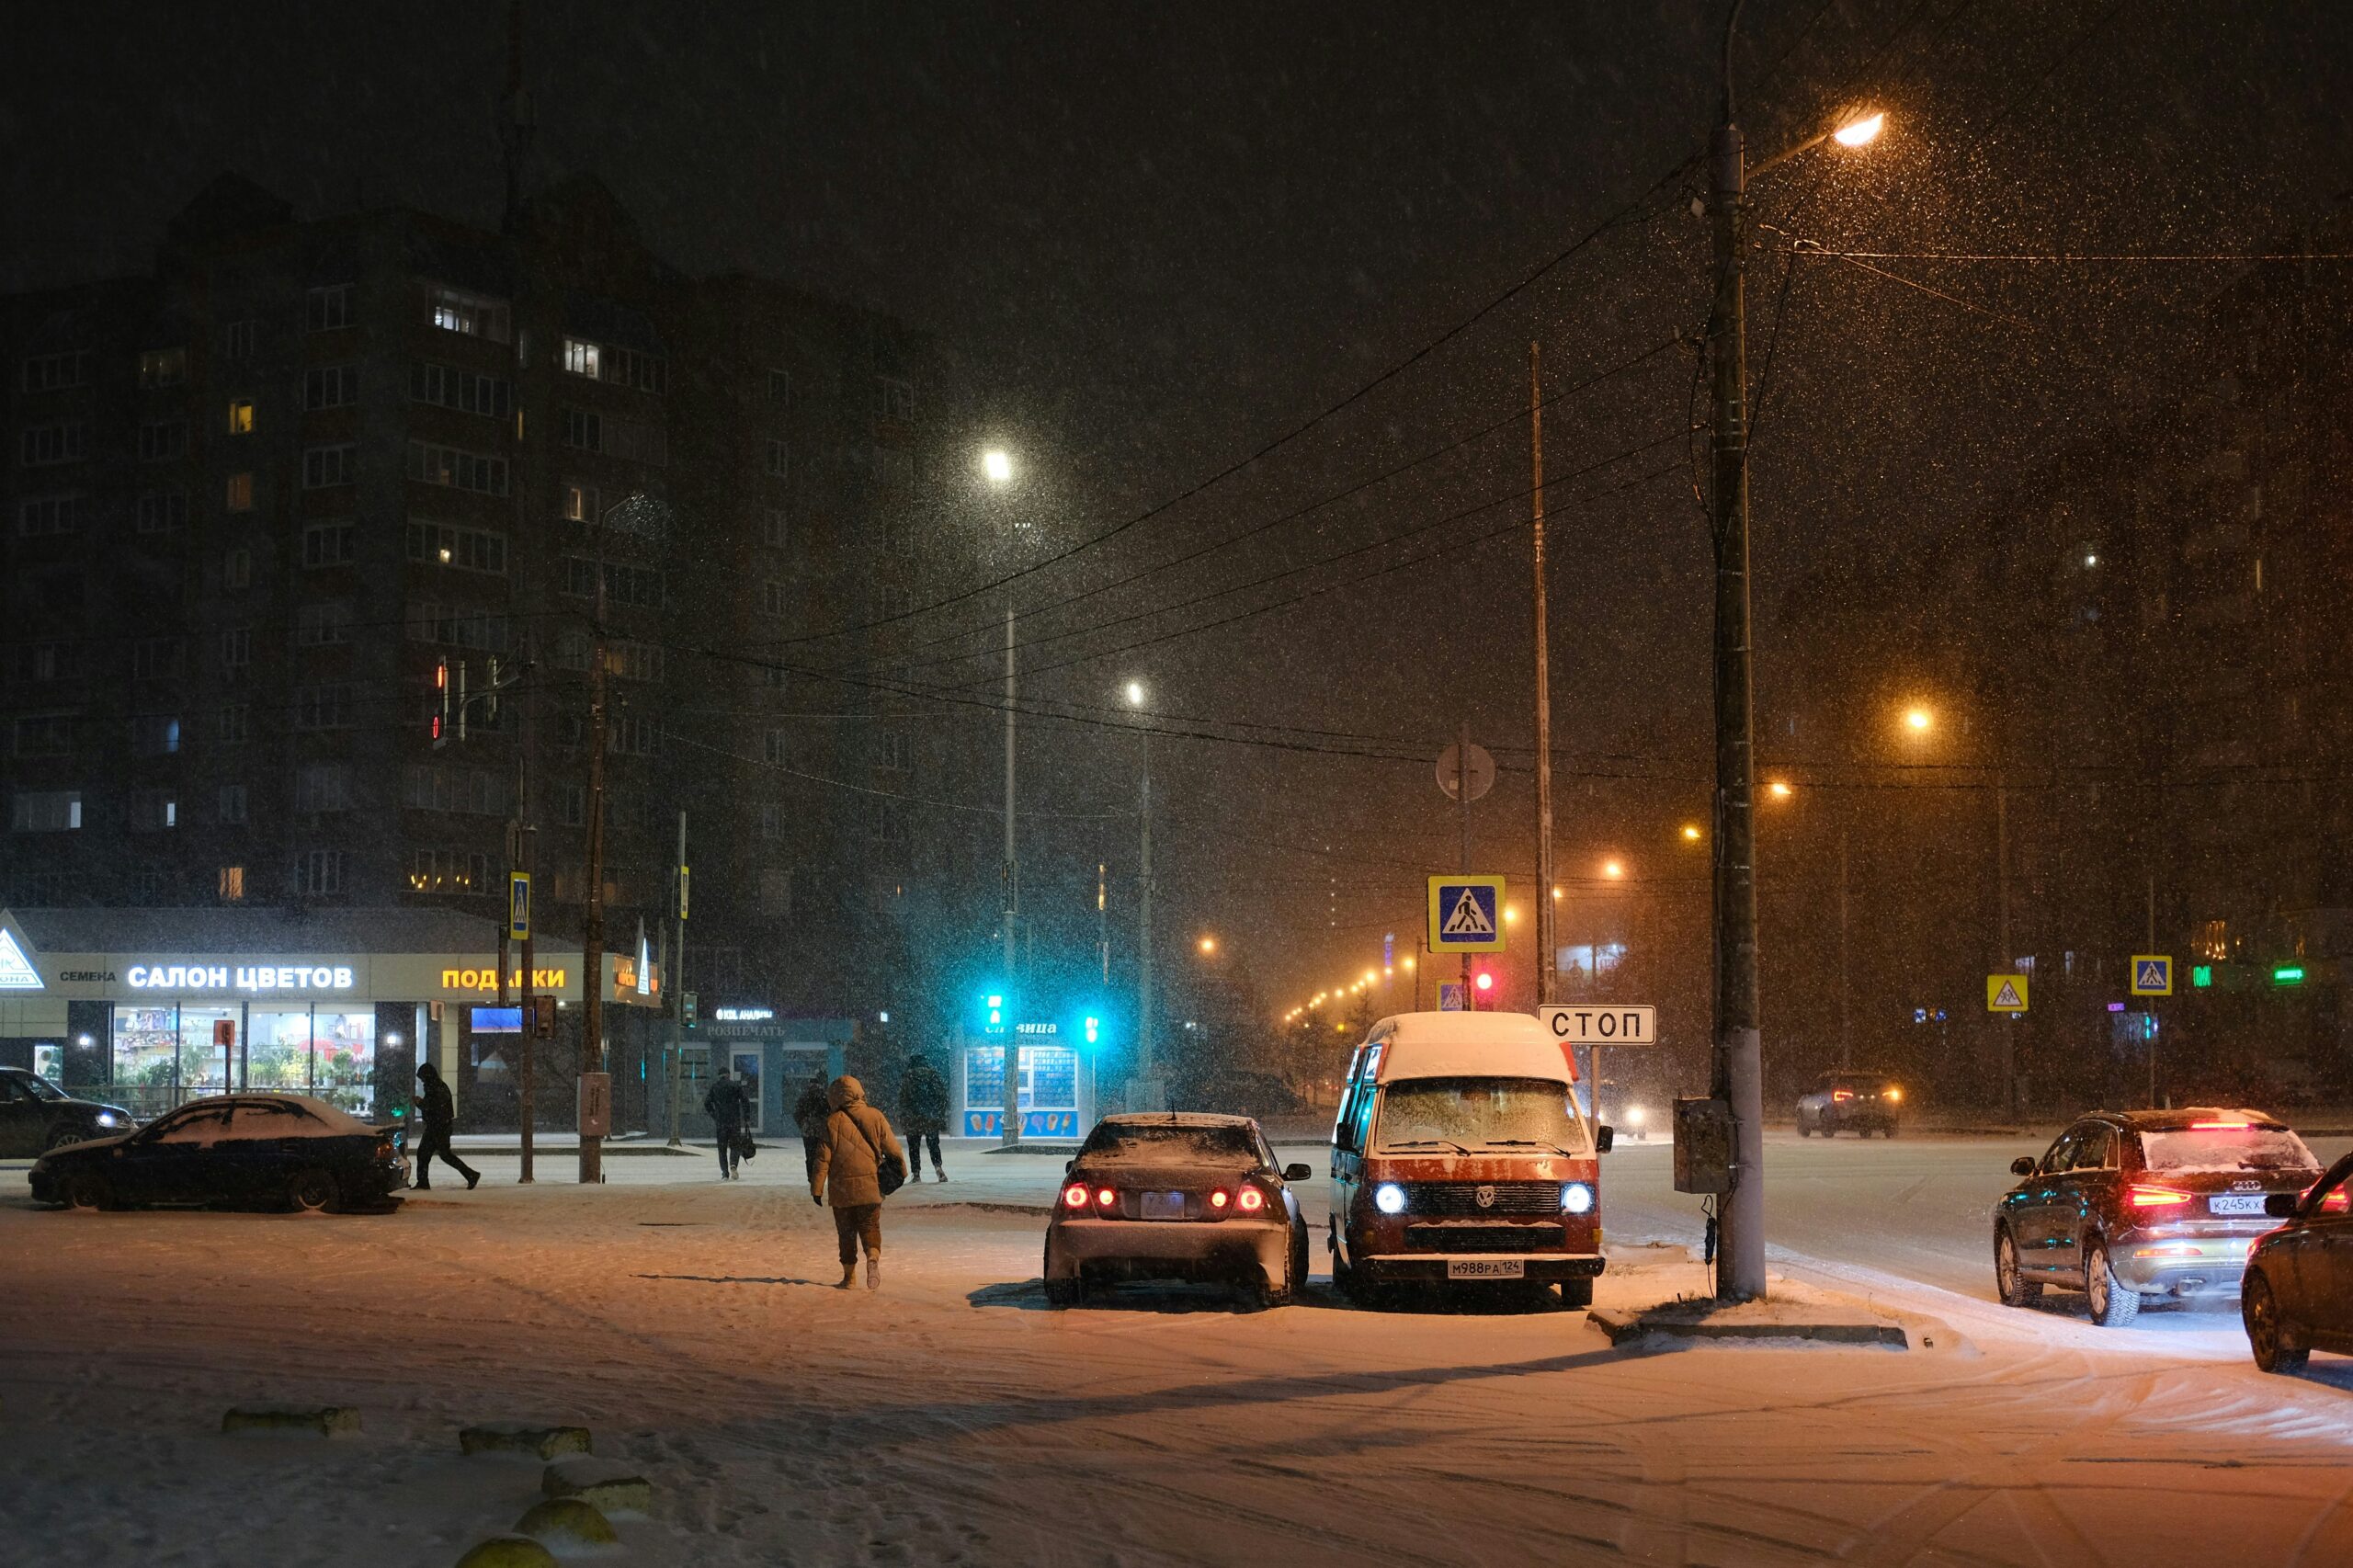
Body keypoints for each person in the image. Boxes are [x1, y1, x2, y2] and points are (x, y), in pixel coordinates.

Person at [809, 1074, 904, 1290]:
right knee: (870, 1226)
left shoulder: (831, 1122)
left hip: (842, 1189)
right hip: (870, 1186)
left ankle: (849, 1278)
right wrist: (902, 1172)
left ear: (835, 1096)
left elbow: (822, 1159)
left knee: (846, 1233)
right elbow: (894, 1150)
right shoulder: (875, 1116)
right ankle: (872, 1257)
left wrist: (816, 1189)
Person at [413, 1061, 479, 1191]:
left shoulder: (435, 1088)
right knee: (434, 1154)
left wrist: (420, 1103)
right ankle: (470, 1175)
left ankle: (471, 1175)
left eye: (422, 1078)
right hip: (439, 1126)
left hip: (438, 1127)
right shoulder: (438, 1086)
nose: (422, 1082)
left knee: (432, 1154)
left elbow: (433, 1107)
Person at [898, 1051, 949, 1183]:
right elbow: (942, 1096)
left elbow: (904, 1099)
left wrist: (905, 1115)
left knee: (914, 1147)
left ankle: (916, 1174)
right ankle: (938, 1167)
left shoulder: (908, 1077)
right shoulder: (933, 1075)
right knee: (933, 1144)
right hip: (931, 1116)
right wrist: (938, 1112)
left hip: (913, 1117)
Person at [703, 1066, 750, 1180]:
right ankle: (733, 1164)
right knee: (735, 1145)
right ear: (728, 1075)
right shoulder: (735, 1086)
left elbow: (707, 1103)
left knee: (722, 1148)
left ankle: (725, 1172)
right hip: (734, 1121)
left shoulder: (715, 1087)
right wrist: (746, 1116)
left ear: (719, 1075)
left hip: (721, 1122)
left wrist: (715, 1115)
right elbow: (745, 1100)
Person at [793, 1068, 832, 1183]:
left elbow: (797, 1112)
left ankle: (811, 1176)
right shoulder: (824, 1095)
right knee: (821, 1153)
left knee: (809, 1154)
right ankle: (820, 1175)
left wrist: (803, 1123)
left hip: (808, 1129)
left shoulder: (804, 1095)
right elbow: (829, 1110)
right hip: (821, 1129)